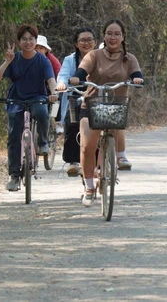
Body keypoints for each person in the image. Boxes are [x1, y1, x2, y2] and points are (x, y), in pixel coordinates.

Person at [69, 19, 144, 207]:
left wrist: (137, 79)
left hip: (116, 106)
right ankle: (88, 187)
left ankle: (120, 155)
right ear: (104, 36)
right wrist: (77, 78)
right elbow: (81, 70)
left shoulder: (129, 58)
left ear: (123, 37)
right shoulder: (93, 56)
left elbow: (137, 74)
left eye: (117, 34)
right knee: (87, 147)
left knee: (116, 120)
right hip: (92, 105)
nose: (113, 37)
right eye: (109, 33)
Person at [0, 25, 58, 191]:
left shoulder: (43, 60)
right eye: (24, 39)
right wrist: (7, 62)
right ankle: (14, 176)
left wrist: (54, 93)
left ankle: (42, 142)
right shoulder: (14, 59)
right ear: (19, 42)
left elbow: (51, 80)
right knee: (14, 135)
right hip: (16, 98)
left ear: (36, 42)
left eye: (31, 39)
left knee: (42, 113)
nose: (28, 42)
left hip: (37, 97)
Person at [55, 27, 97, 177]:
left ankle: (100, 159)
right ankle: (73, 161)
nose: (86, 43)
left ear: (95, 42)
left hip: (97, 97)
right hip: (76, 95)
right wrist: (62, 83)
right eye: (82, 40)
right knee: (72, 122)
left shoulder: (102, 57)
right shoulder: (69, 60)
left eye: (89, 40)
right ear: (76, 44)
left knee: (100, 126)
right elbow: (63, 75)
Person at [36, 35, 63, 133]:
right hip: (35, 87)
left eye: (41, 47)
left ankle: (57, 120)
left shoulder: (52, 61)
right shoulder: (29, 59)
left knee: (58, 95)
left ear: (46, 50)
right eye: (36, 47)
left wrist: (56, 89)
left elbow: (60, 75)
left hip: (51, 85)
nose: (38, 50)